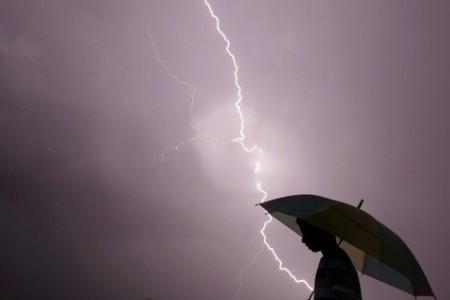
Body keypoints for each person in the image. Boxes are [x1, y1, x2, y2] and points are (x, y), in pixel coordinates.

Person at [297, 217, 362, 300]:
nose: (303, 240)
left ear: (319, 231)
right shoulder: (330, 259)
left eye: (305, 233)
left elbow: (344, 296)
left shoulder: (335, 258)